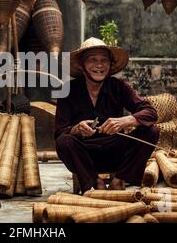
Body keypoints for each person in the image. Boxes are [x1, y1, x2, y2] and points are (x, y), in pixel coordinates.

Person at [55, 37, 159, 193]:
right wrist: (77, 129)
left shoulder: (119, 87)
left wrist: (126, 121)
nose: (99, 65)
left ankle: (120, 180)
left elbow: (151, 113)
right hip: (84, 156)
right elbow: (60, 132)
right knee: (64, 142)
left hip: (116, 153)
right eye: (93, 60)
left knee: (152, 131)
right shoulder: (67, 90)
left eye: (104, 60)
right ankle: (95, 182)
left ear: (110, 65)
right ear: (82, 65)